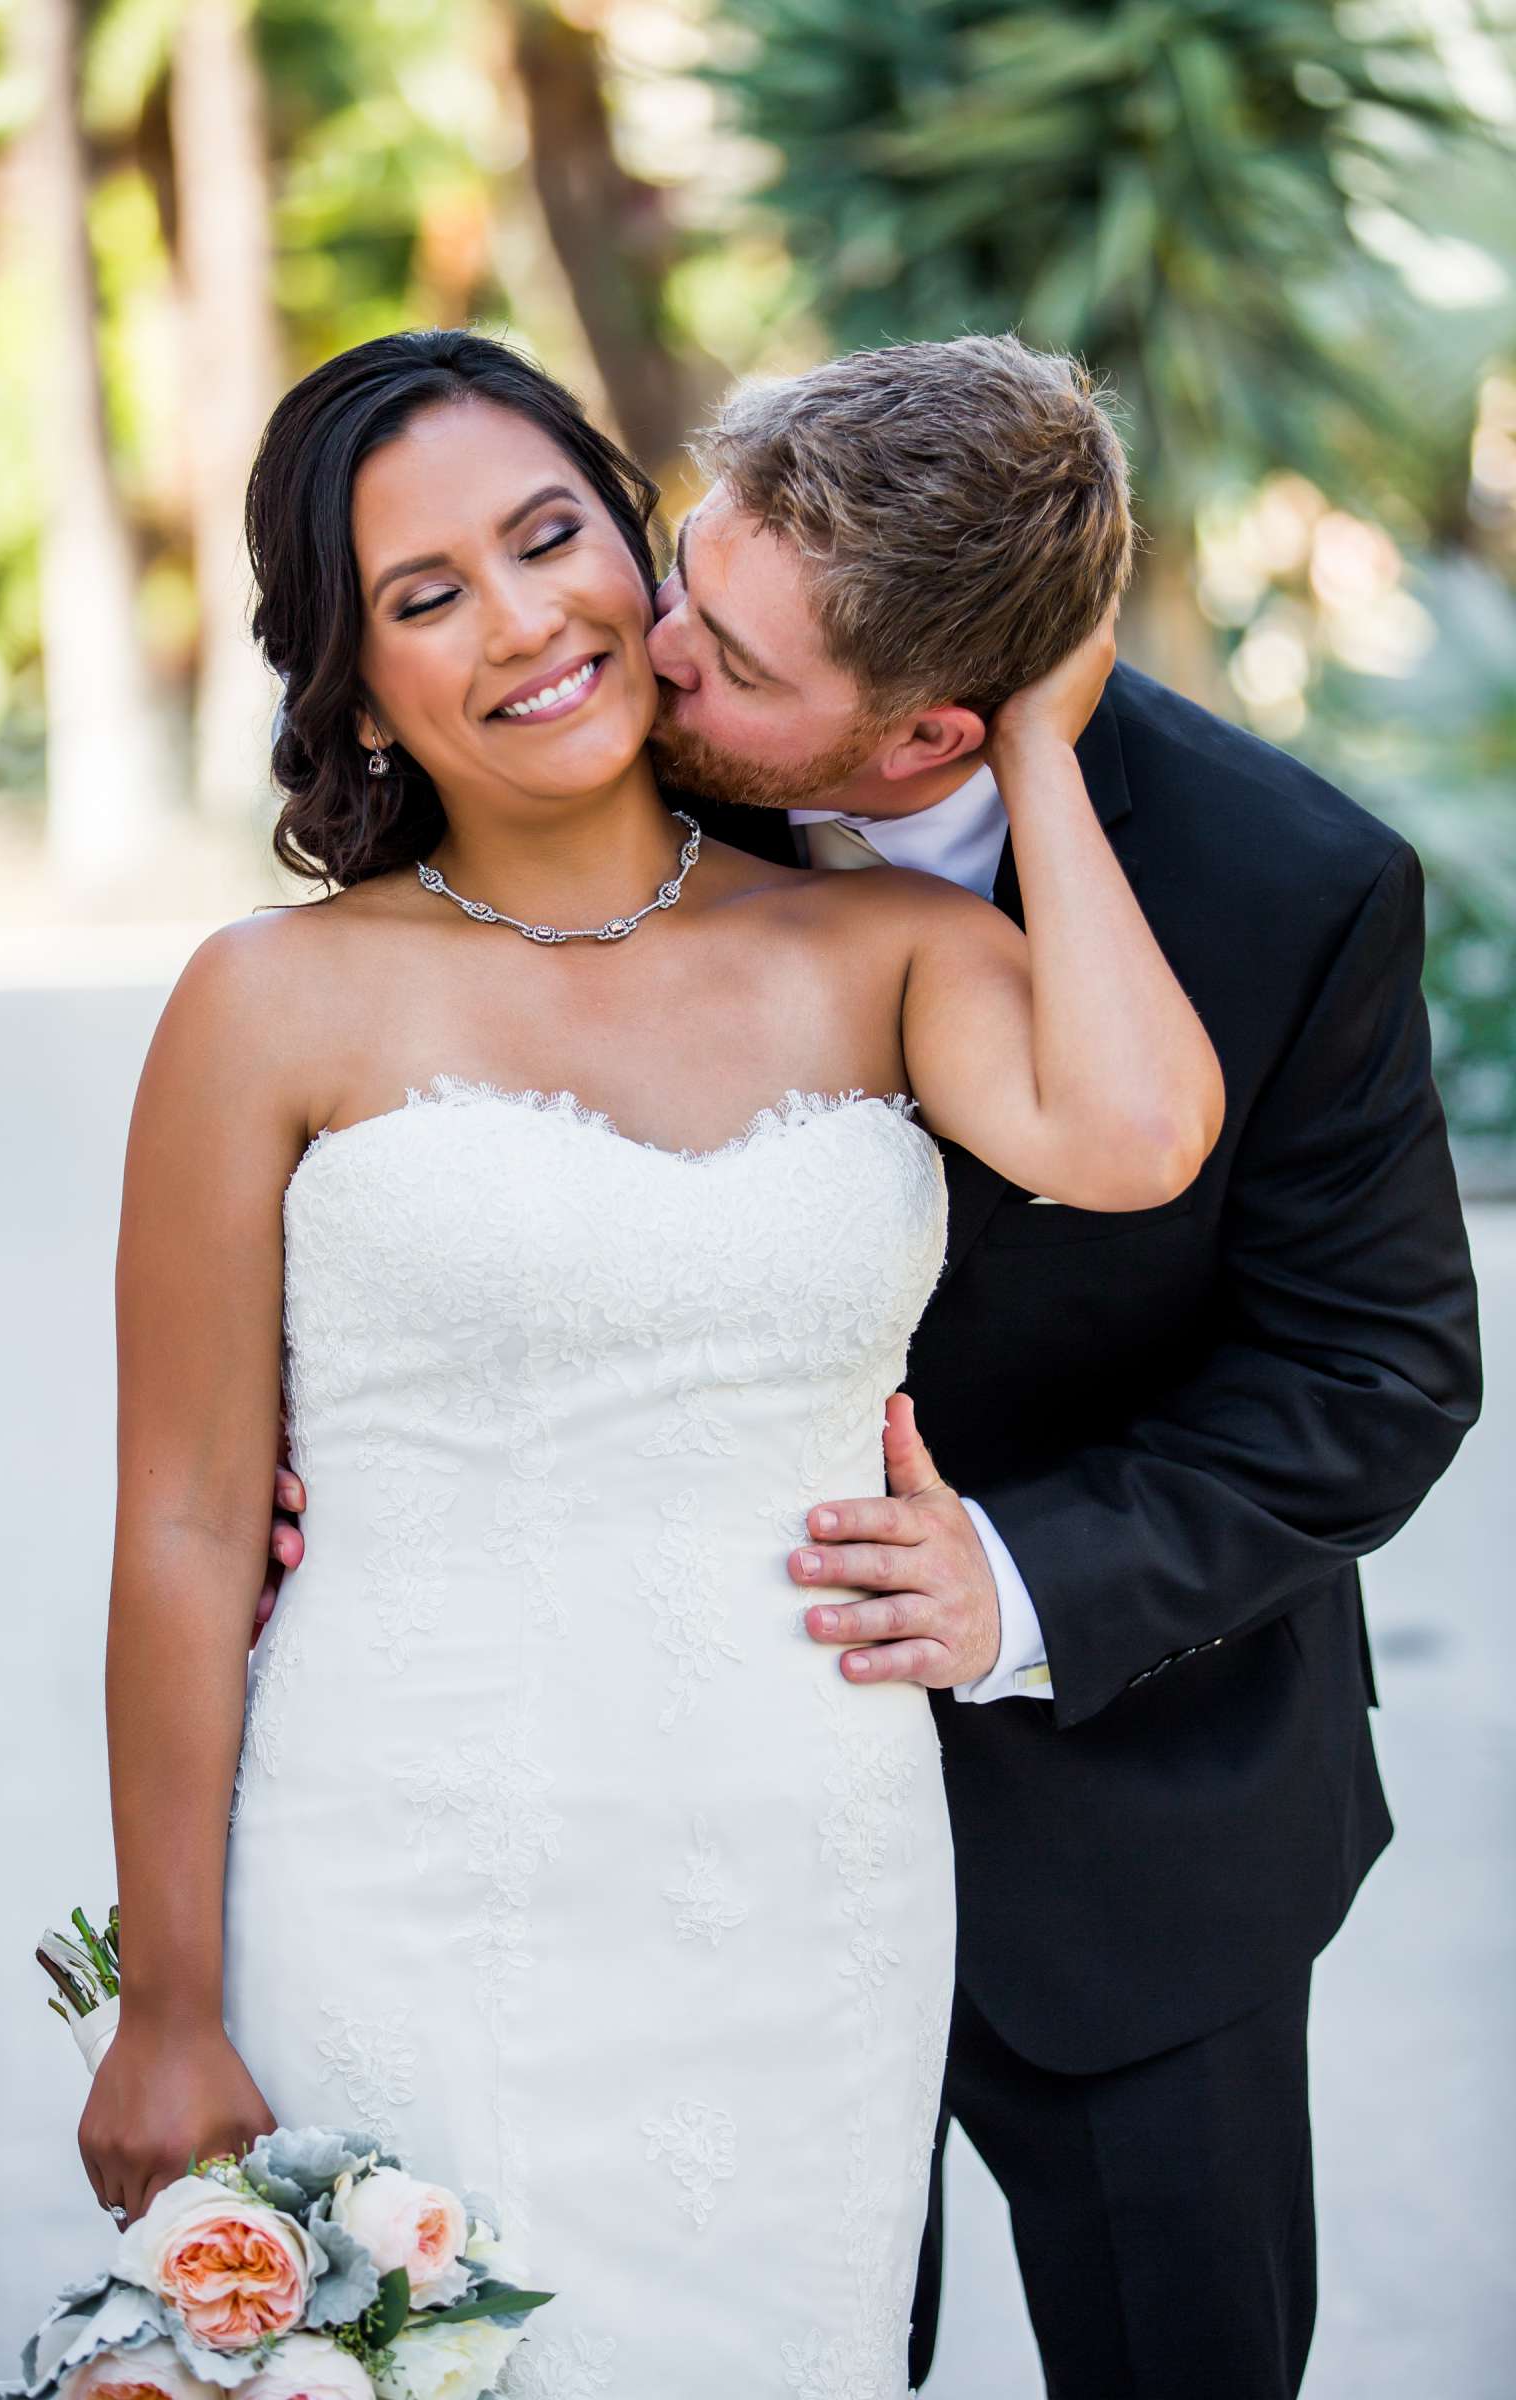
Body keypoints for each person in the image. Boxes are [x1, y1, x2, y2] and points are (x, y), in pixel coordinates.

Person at [260, 329, 1484, 2400]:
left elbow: (1374, 1368)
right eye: (681, 580)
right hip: (644, 1835)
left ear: (928, 732)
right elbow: (405, 1137)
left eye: (732, 664)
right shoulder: (583, 739)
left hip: (1129, 1829)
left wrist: (1015, 1582)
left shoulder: (1290, 889)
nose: (649, 657)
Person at [79, 327, 1221, 2397]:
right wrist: (170, 2003)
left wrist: (1030, 732)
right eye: (427, 598)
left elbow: (1135, 1138)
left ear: (638, 541)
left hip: (803, 1889)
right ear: (348, 677)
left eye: (547, 537)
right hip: (401, 1870)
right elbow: (176, 1519)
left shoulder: (879, 951)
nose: (523, 621)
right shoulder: (265, 1005)